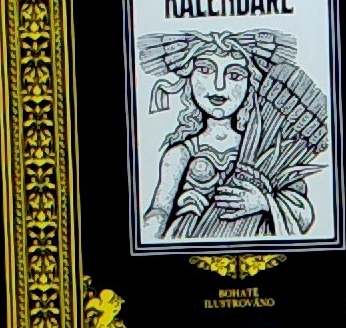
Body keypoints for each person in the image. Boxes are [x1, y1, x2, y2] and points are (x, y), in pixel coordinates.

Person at [138, 30, 326, 241]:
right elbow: (159, 211)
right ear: (189, 77)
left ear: (250, 84)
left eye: (235, 75)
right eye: (205, 70)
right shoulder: (180, 153)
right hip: (190, 240)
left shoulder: (266, 149)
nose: (219, 85)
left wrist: (263, 202)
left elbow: (302, 212)